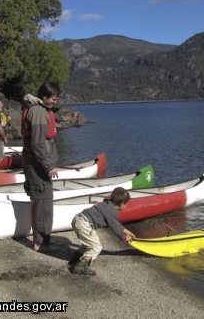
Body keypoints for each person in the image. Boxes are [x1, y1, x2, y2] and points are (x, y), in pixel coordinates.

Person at [21, 82, 62, 252]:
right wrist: (49, 165)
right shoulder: (38, 112)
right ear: (44, 97)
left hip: (35, 164)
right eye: (53, 98)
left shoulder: (39, 110)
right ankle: (40, 241)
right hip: (38, 166)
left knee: (38, 200)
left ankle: (40, 239)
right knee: (43, 202)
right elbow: (38, 143)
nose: (55, 101)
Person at [69, 187, 136, 275]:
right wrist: (123, 237)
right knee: (96, 247)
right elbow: (114, 226)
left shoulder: (106, 204)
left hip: (78, 219)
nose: (126, 206)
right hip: (85, 224)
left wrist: (126, 231)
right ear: (121, 204)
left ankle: (75, 259)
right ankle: (80, 266)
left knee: (89, 243)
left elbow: (115, 223)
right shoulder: (111, 211)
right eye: (126, 204)